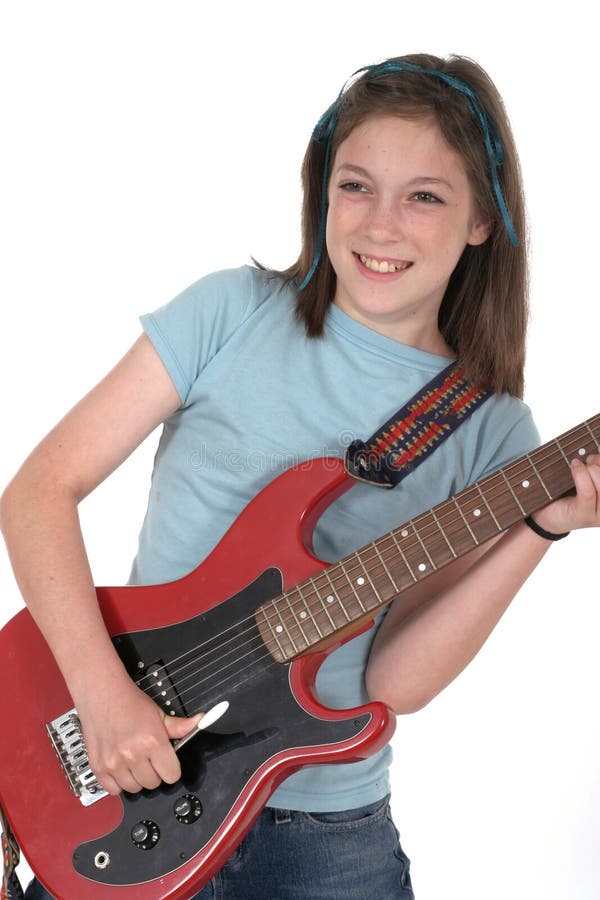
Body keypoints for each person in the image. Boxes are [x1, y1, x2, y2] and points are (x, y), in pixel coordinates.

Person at [1, 53, 599, 900]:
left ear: (482, 220)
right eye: (356, 186)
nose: (381, 225)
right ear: (322, 192)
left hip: (325, 839)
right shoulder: (231, 312)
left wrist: (539, 528)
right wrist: (101, 694)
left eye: (425, 196)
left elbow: (394, 683)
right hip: (123, 783)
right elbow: (37, 491)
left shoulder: (496, 433)